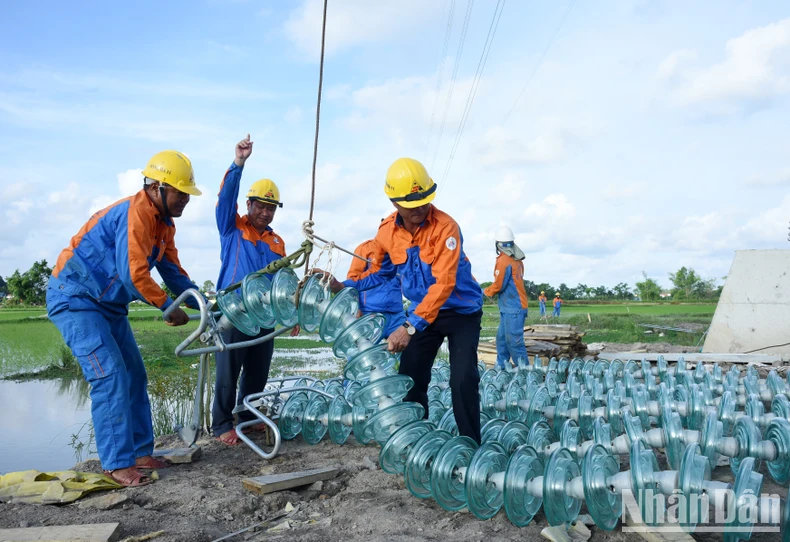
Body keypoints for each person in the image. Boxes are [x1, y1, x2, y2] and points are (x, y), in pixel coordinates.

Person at [46, 150, 203, 487]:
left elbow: (173, 272)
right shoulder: (136, 214)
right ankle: (117, 464)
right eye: (180, 192)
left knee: (134, 374)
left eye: (188, 194)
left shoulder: (164, 225)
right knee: (110, 375)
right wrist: (167, 307)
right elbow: (133, 274)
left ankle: (141, 453)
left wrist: (203, 304)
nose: (186, 200)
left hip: (109, 307)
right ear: (158, 187)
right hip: (76, 299)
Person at [323, 157, 483, 443]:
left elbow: (444, 284)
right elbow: (382, 273)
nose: (421, 209)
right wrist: (341, 285)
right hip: (424, 313)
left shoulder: (447, 228)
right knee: (411, 374)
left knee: (463, 379)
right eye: (412, 205)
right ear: (394, 202)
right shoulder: (386, 232)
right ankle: (416, 438)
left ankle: (471, 444)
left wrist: (409, 327)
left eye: (425, 200)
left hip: (461, 312)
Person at [212, 134, 299, 447]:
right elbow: (224, 199)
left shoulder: (277, 243)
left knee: (257, 371)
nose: (266, 212)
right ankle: (222, 424)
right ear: (248, 204)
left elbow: (285, 282)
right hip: (235, 313)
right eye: (261, 206)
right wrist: (238, 164)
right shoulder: (232, 228)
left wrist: (294, 311)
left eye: (271, 208)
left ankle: (248, 419)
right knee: (228, 371)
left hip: (264, 317)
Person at [483, 226, 529, 371]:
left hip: (513, 308)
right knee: (502, 340)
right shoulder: (516, 260)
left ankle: (526, 373)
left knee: (514, 342)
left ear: (498, 244)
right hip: (509, 307)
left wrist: (486, 292)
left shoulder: (504, 260)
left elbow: (498, 285)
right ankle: (501, 369)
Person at [346, 239, 405, 339]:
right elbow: (353, 280)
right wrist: (356, 308)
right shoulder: (365, 248)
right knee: (361, 351)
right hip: (370, 313)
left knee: (410, 350)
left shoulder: (402, 250)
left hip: (397, 315)